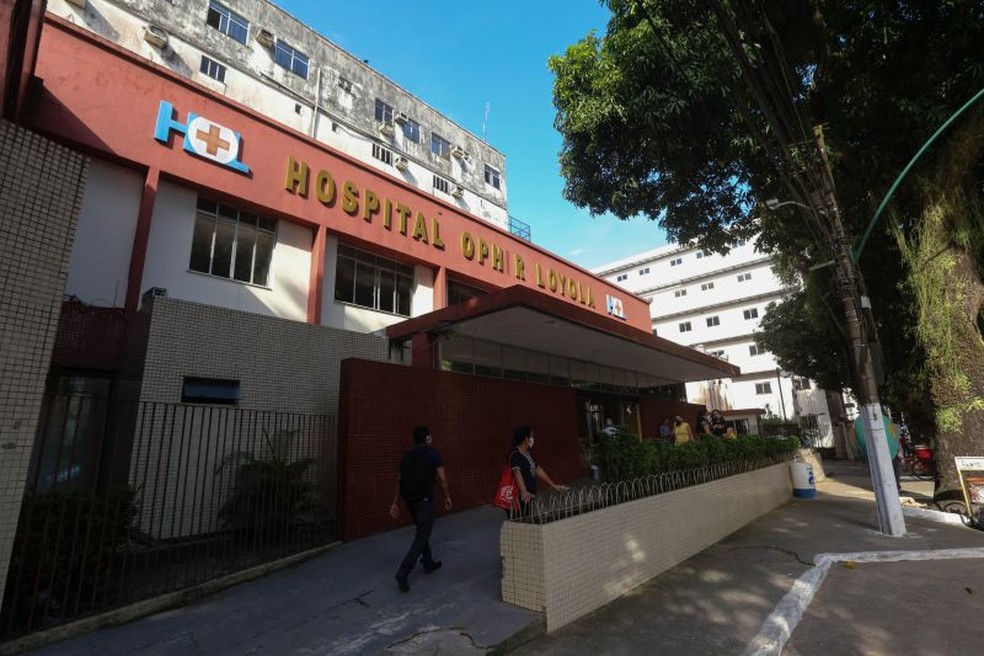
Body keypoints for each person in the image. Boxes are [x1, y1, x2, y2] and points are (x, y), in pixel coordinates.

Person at [389, 425, 452, 593]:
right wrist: (447, 496)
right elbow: (442, 478)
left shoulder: (407, 456)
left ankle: (428, 562)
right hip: (425, 501)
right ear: (427, 438)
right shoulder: (433, 453)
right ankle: (403, 571)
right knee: (422, 535)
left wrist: (395, 502)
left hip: (410, 501)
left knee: (421, 530)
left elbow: (398, 479)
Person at [510, 425, 567, 516]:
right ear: (526, 439)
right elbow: (517, 472)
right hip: (520, 497)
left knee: (528, 518)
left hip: (529, 495)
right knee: (522, 521)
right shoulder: (515, 454)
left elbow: (538, 469)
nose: (533, 438)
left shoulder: (528, 453)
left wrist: (553, 485)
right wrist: (524, 491)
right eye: (531, 436)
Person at [852, 411, 901, 493]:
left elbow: (856, 439)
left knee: (877, 469)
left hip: (873, 453)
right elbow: (896, 436)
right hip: (891, 452)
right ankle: (896, 485)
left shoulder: (858, 422)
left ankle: (882, 485)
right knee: (894, 468)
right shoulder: (888, 421)